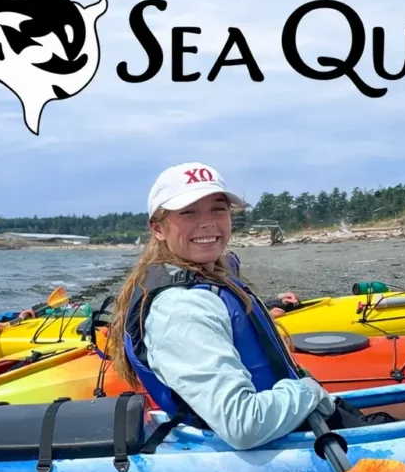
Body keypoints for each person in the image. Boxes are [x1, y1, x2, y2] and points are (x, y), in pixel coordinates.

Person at [105, 162, 388, 451]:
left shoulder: (205, 275)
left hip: (291, 428)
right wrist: (307, 391)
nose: (208, 222)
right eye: (189, 212)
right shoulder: (182, 309)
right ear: (158, 228)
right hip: (274, 445)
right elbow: (243, 424)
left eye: (218, 209)